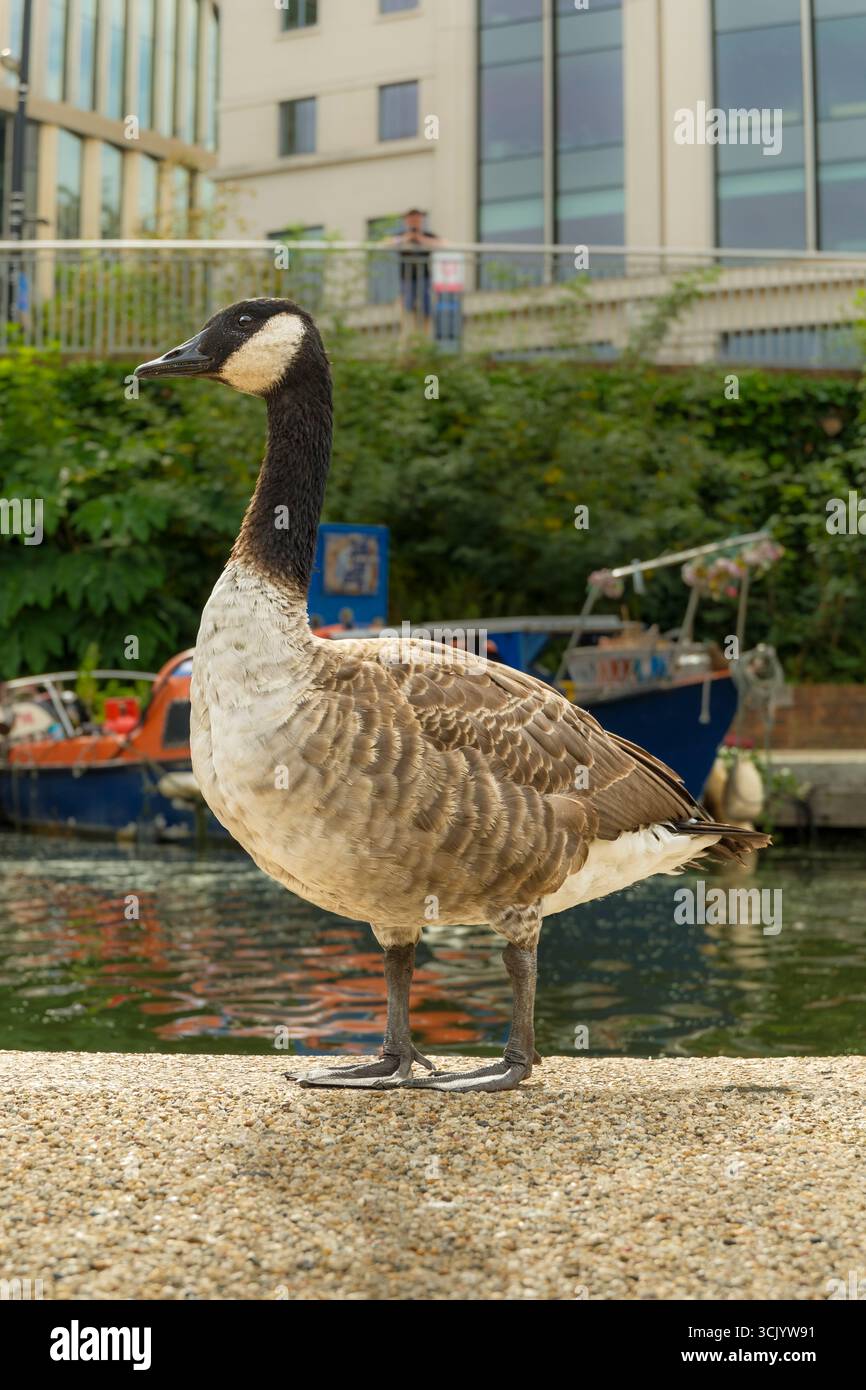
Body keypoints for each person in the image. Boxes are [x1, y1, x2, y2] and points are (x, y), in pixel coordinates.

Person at [385, 209, 443, 341]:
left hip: (424, 278)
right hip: (407, 278)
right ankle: (409, 334)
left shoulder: (427, 235)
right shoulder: (401, 235)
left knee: (426, 307)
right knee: (407, 307)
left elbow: (442, 244)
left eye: (417, 219)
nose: (414, 222)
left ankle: (425, 336)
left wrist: (420, 239)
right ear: (406, 221)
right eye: (411, 219)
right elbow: (386, 243)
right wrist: (407, 238)